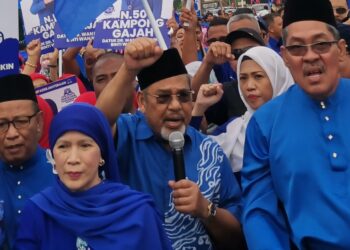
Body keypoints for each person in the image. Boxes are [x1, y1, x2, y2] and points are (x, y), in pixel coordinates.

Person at [96, 38, 244, 249]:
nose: (175, 106)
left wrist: (206, 209)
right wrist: (128, 69)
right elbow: (97, 124)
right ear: (142, 102)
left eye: (183, 96)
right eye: (163, 97)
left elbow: (236, 236)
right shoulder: (125, 134)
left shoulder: (209, 151)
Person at [241, 0, 349, 248]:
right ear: (285, 57)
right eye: (297, 48)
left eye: (321, 44)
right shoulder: (265, 123)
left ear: (340, 50)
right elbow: (260, 213)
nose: (310, 56)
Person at [14, 103, 171, 250]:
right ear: (52, 154)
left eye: (85, 145)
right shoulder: (39, 211)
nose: (73, 159)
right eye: (63, 146)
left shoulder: (138, 212)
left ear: (102, 153)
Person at [193, 46, 293, 176]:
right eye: (243, 78)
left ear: (277, 77)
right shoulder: (235, 129)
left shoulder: (299, 123)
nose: (249, 86)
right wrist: (199, 108)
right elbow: (192, 152)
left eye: (258, 76)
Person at [0, 74, 54, 249]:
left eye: (21, 122)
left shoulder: (63, 172)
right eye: (1, 125)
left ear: (39, 122)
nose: (12, 134)